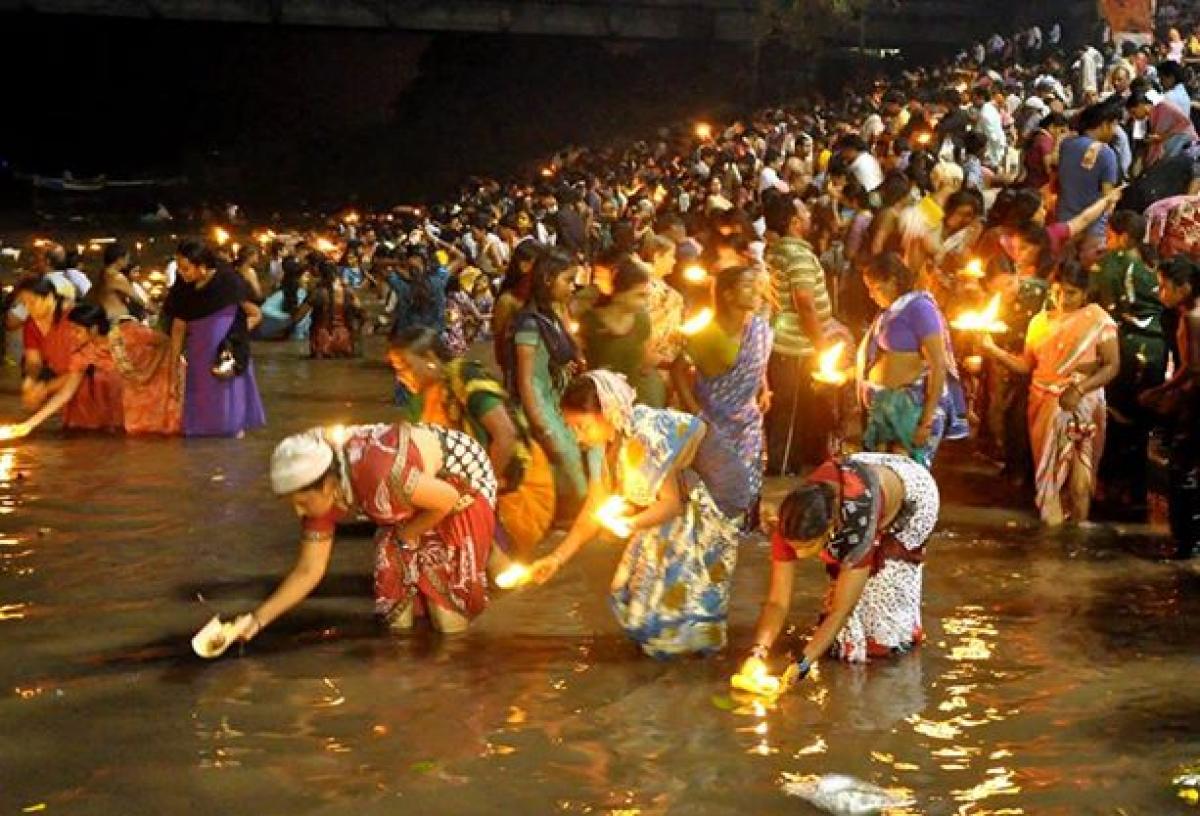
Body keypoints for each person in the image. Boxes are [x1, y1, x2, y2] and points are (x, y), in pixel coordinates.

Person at [530, 371, 749, 657]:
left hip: (717, 491)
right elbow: (594, 506)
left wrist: (628, 524)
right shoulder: (602, 444)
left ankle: (684, 644)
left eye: (582, 426)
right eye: (572, 428)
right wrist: (557, 559)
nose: (577, 436)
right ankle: (666, 635)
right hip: (684, 492)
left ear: (607, 413)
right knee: (649, 560)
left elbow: (670, 505)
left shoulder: (643, 437)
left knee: (676, 570)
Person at [233, 423, 500, 642]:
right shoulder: (324, 493)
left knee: (447, 621)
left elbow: (448, 498)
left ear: (327, 485)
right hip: (406, 502)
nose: (299, 513)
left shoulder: (379, 473)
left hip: (458, 486)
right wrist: (256, 621)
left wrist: (408, 534)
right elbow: (308, 571)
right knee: (397, 620)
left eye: (302, 503)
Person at [737, 452, 940, 678]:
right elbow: (777, 602)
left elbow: (841, 611)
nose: (798, 554)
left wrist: (803, 664)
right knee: (843, 640)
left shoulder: (856, 526)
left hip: (912, 494)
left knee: (880, 634)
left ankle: (903, 633)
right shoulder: (793, 520)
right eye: (793, 547)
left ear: (831, 528)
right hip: (863, 472)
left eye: (808, 546)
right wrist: (757, 653)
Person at [389, 327, 556, 561]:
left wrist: (474, 494)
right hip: (464, 485)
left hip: (510, 488)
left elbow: (505, 437)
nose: (401, 377)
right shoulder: (422, 399)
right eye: (396, 370)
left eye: (405, 367)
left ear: (430, 359)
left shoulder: (464, 378)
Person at [982, 260, 1120, 525]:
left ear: (1084, 293)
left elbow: (1112, 365)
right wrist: (992, 349)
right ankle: (1057, 537)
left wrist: (1079, 389)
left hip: (1081, 404)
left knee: (1080, 478)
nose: (1062, 299)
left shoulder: (1098, 319)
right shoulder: (1039, 322)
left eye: (1071, 293)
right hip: (1043, 403)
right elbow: (1025, 366)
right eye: (1057, 291)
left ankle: (1077, 534)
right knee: (1051, 480)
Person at [672, 265, 773, 518]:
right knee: (718, 482)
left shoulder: (758, 330)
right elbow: (677, 370)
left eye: (756, 285)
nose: (756, 292)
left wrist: (764, 387)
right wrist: (694, 410)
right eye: (747, 286)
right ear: (728, 295)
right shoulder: (708, 335)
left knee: (748, 474)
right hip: (715, 421)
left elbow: (759, 362)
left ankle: (744, 525)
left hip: (747, 419)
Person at [856, 253, 967, 467]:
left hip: (912, 409)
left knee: (906, 476)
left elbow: (938, 363)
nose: (870, 295)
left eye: (875, 287)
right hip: (886, 407)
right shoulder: (889, 312)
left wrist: (925, 422)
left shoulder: (919, 308)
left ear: (893, 281)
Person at [8, 304, 183, 437]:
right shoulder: (84, 354)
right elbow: (66, 393)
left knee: (172, 424)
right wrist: (30, 424)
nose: (72, 336)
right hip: (138, 388)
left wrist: (150, 371)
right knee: (144, 432)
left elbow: (166, 342)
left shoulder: (129, 332)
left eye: (77, 331)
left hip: (163, 374)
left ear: (93, 329)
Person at [505, 247, 589, 525]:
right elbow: (526, 380)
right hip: (539, 408)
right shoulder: (528, 324)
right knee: (566, 473)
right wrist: (541, 426)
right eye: (568, 280)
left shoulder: (551, 316)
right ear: (547, 279)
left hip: (555, 405)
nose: (573, 286)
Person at [1090, 211, 1166, 509]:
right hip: (1156, 350)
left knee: (1115, 417)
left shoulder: (1111, 264)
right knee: (1141, 421)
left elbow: (1098, 306)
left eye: (1108, 235)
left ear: (1121, 236)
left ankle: (1109, 487)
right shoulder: (1153, 267)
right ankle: (1137, 491)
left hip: (1124, 347)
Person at [763, 194, 838, 475]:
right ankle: (782, 469)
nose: (809, 216)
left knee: (790, 408)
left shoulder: (777, 250)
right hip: (795, 347)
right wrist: (821, 346)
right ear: (794, 222)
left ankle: (788, 462)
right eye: (805, 212)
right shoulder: (797, 255)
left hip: (786, 343)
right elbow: (804, 301)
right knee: (790, 410)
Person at [163, 240, 266, 438]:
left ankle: (232, 433)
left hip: (225, 350)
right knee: (201, 395)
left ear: (202, 266)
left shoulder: (229, 282)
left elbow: (255, 314)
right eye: (180, 269)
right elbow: (178, 325)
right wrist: (174, 361)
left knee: (228, 394)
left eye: (186, 269)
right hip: (198, 350)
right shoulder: (183, 287)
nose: (182, 274)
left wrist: (235, 336)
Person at [1140, 258, 1200, 558]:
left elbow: (1193, 368)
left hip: (1195, 402)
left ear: (1184, 288)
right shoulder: (1186, 314)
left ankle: (1187, 544)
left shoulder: (1193, 317)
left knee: (1184, 472)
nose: (1159, 291)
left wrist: (1161, 391)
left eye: (1165, 286)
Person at [14, 278, 124, 432]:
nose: (28, 308)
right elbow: (33, 361)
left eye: (32, 302)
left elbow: (82, 371)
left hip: (93, 383)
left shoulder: (74, 322)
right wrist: (30, 380)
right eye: (24, 304)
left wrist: (45, 389)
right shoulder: (31, 326)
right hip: (69, 379)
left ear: (49, 297)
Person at [580, 257, 665, 407]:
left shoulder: (641, 320)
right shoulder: (591, 323)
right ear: (619, 294)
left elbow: (644, 362)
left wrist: (650, 362)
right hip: (600, 399)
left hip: (634, 396)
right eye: (639, 295)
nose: (645, 301)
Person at [1055, 102, 1121, 265]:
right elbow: (1108, 199)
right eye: (1113, 125)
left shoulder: (1066, 144)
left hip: (1066, 224)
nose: (1114, 131)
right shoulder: (1107, 154)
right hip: (1093, 229)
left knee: (1063, 272)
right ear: (1104, 124)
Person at [293, 260, 361, 358]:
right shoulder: (348, 291)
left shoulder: (317, 293)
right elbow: (362, 314)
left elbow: (298, 317)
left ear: (321, 274)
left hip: (322, 342)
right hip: (344, 340)